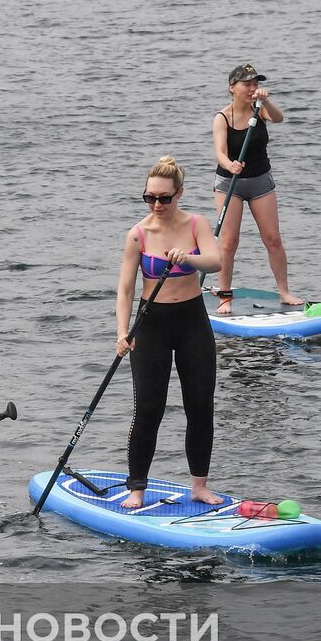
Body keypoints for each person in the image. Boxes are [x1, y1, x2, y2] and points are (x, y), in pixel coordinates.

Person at [116, 156, 224, 509]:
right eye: (150, 198)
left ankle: (199, 486)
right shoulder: (138, 234)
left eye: (164, 198)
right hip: (152, 325)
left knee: (200, 405)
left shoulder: (197, 225)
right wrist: (122, 331)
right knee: (148, 408)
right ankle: (137, 489)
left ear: (180, 194)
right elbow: (126, 290)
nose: (157, 205)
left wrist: (188, 259)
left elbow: (215, 261)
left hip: (192, 320)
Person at [212, 62, 298, 315]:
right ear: (232, 88)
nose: (252, 89)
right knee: (229, 242)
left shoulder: (259, 110)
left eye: (255, 84)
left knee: (273, 238)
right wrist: (230, 164)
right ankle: (225, 296)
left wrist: (266, 102)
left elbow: (279, 118)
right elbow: (220, 153)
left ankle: (284, 291)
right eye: (246, 84)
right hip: (230, 184)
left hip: (261, 181)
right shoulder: (222, 118)